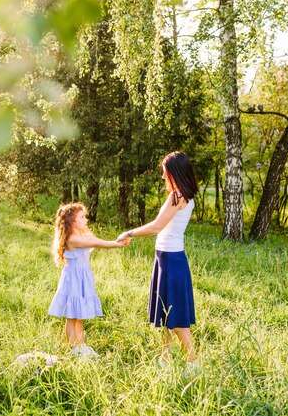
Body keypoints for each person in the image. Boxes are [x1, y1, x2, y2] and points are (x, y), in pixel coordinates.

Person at [117, 151, 199, 368]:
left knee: (178, 318)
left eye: (165, 173)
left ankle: (193, 364)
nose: (163, 177)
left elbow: (155, 227)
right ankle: (165, 358)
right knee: (165, 314)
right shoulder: (183, 195)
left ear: (174, 173)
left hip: (171, 260)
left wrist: (129, 233)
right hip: (166, 258)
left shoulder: (177, 197)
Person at [48, 202, 130, 357]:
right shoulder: (73, 239)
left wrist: (116, 242)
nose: (86, 219)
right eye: (82, 217)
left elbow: (93, 238)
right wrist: (118, 244)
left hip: (82, 278)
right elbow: (97, 243)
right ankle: (74, 349)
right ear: (72, 221)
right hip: (73, 279)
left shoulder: (80, 235)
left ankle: (80, 345)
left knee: (79, 315)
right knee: (72, 316)